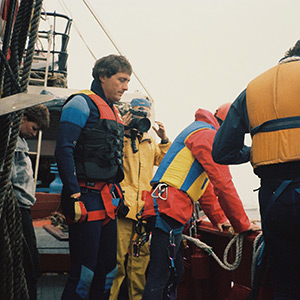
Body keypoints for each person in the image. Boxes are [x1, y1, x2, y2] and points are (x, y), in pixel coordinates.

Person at [212, 40, 300, 300]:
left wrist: (258, 150)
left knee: (285, 284)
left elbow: (221, 151)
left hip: (275, 199)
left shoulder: (253, 89)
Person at [141, 106, 257, 300]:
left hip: (168, 209)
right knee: (162, 274)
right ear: (228, 127)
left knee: (173, 271)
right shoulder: (207, 135)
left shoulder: (200, 131)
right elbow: (223, 184)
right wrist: (242, 225)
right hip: (169, 209)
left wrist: (219, 218)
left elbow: (206, 189)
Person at [55, 54, 132, 300]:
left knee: (109, 270)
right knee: (84, 273)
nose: (126, 86)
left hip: (107, 200)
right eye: (121, 80)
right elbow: (64, 148)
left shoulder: (115, 113)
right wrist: (73, 193)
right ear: (102, 76)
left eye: (127, 81)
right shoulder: (80, 103)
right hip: (84, 197)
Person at [109, 98, 171, 300]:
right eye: (137, 113)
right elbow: (107, 155)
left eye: (144, 115)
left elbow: (164, 163)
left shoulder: (149, 141)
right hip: (122, 208)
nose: (140, 119)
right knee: (116, 262)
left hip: (143, 210)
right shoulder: (119, 138)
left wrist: (163, 139)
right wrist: (121, 130)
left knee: (140, 263)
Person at [11, 104, 50, 300]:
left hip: (21, 207)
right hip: (16, 209)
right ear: (23, 118)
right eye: (34, 128)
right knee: (30, 263)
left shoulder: (19, 142)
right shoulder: (12, 143)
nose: (34, 134)